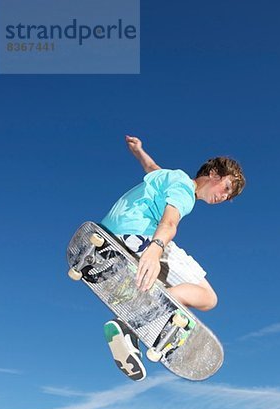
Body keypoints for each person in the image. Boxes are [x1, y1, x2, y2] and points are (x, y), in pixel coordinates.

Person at [102, 135, 246, 381]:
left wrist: (138, 151)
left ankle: (141, 318)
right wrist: (156, 249)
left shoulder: (169, 176)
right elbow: (169, 222)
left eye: (229, 198)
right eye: (226, 188)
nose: (224, 197)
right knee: (207, 297)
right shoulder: (185, 191)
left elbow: (151, 168)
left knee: (172, 285)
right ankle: (137, 321)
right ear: (213, 174)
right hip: (141, 236)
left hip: (110, 231)